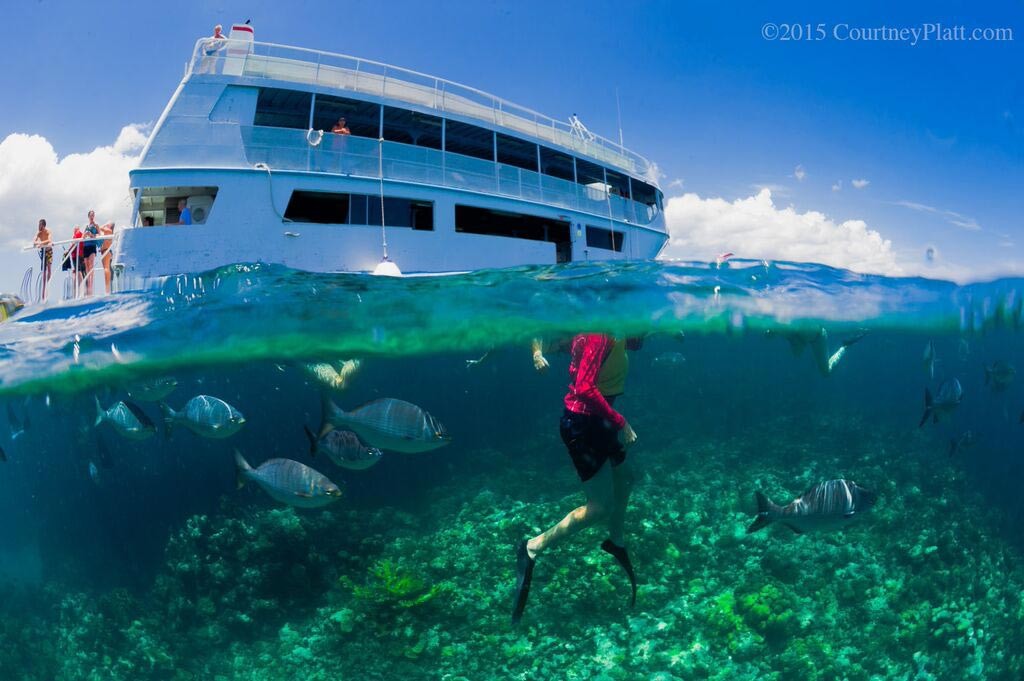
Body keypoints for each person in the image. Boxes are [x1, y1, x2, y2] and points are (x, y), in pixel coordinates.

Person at [512, 333, 641, 623]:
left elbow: (567, 342)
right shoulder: (598, 333)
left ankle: (616, 541)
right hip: (583, 425)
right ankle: (531, 547)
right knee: (598, 507)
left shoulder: (614, 330)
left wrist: (634, 340)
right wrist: (622, 422)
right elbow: (583, 388)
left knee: (626, 477)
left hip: (599, 420)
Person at [81, 211, 101, 295]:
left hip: (92, 246)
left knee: (91, 264)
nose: (92, 217)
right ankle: (88, 285)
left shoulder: (96, 225)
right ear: (88, 216)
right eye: (91, 215)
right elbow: (82, 237)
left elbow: (99, 235)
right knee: (86, 266)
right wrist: (85, 234)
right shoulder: (86, 226)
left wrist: (92, 235)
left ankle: (90, 288)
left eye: (93, 215)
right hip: (86, 246)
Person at [33, 219, 53, 300]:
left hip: (49, 251)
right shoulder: (39, 232)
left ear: (43, 226)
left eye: (40, 225)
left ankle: (48, 284)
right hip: (43, 252)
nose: (38, 226)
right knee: (44, 272)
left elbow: (49, 240)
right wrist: (38, 243)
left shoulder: (48, 231)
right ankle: (44, 291)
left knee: (49, 269)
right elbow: (34, 241)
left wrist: (41, 243)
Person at [99, 222, 115, 294]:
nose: (107, 224)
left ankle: (107, 290)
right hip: (104, 251)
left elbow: (100, 228)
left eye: (109, 224)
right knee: (106, 268)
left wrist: (105, 224)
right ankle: (108, 288)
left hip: (106, 251)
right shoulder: (108, 232)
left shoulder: (109, 231)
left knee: (106, 268)